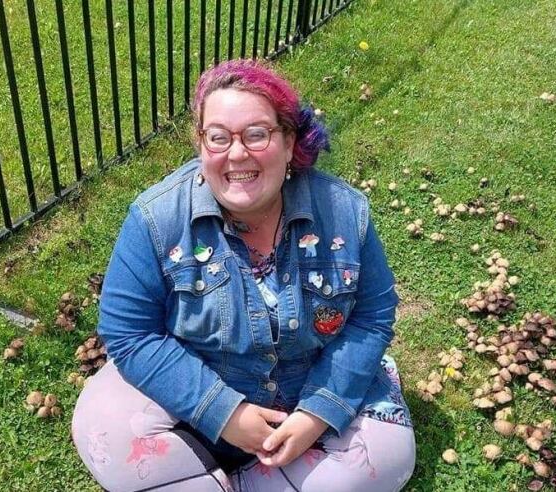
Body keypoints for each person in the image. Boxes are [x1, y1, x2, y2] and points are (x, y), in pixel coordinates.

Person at [72, 59, 416, 491]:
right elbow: (129, 334)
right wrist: (222, 411)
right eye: (218, 137)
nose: (237, 154)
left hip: (308, 388)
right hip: (196, 395)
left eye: (257, 134)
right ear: (201, 145)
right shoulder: (155, 219)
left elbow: (371, 316)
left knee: (385, 457)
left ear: (289, 142)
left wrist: (317, 414)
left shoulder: (345, 212)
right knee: (103, 430)